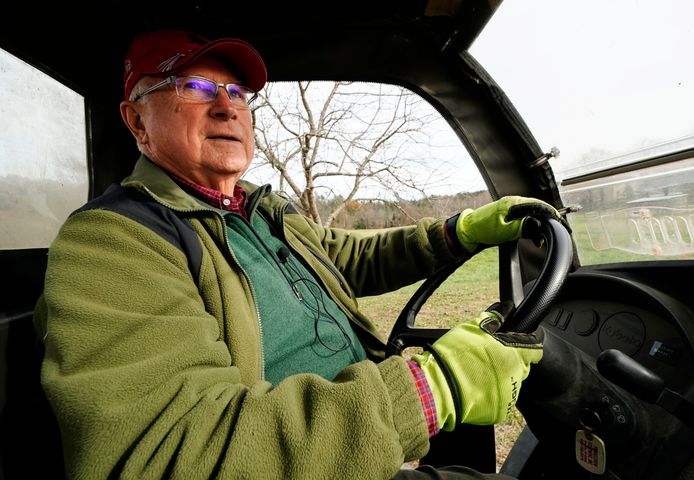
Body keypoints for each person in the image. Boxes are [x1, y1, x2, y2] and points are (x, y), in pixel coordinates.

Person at [33, 29, 563, 479]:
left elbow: (348, 257)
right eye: (195, 86)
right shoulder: (113, 240)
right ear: (137, 122)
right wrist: (429, 389)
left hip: (377, 434)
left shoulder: (261, 210)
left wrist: (458, 231)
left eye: (238, 93)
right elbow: (170, 451)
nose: (227, 106)